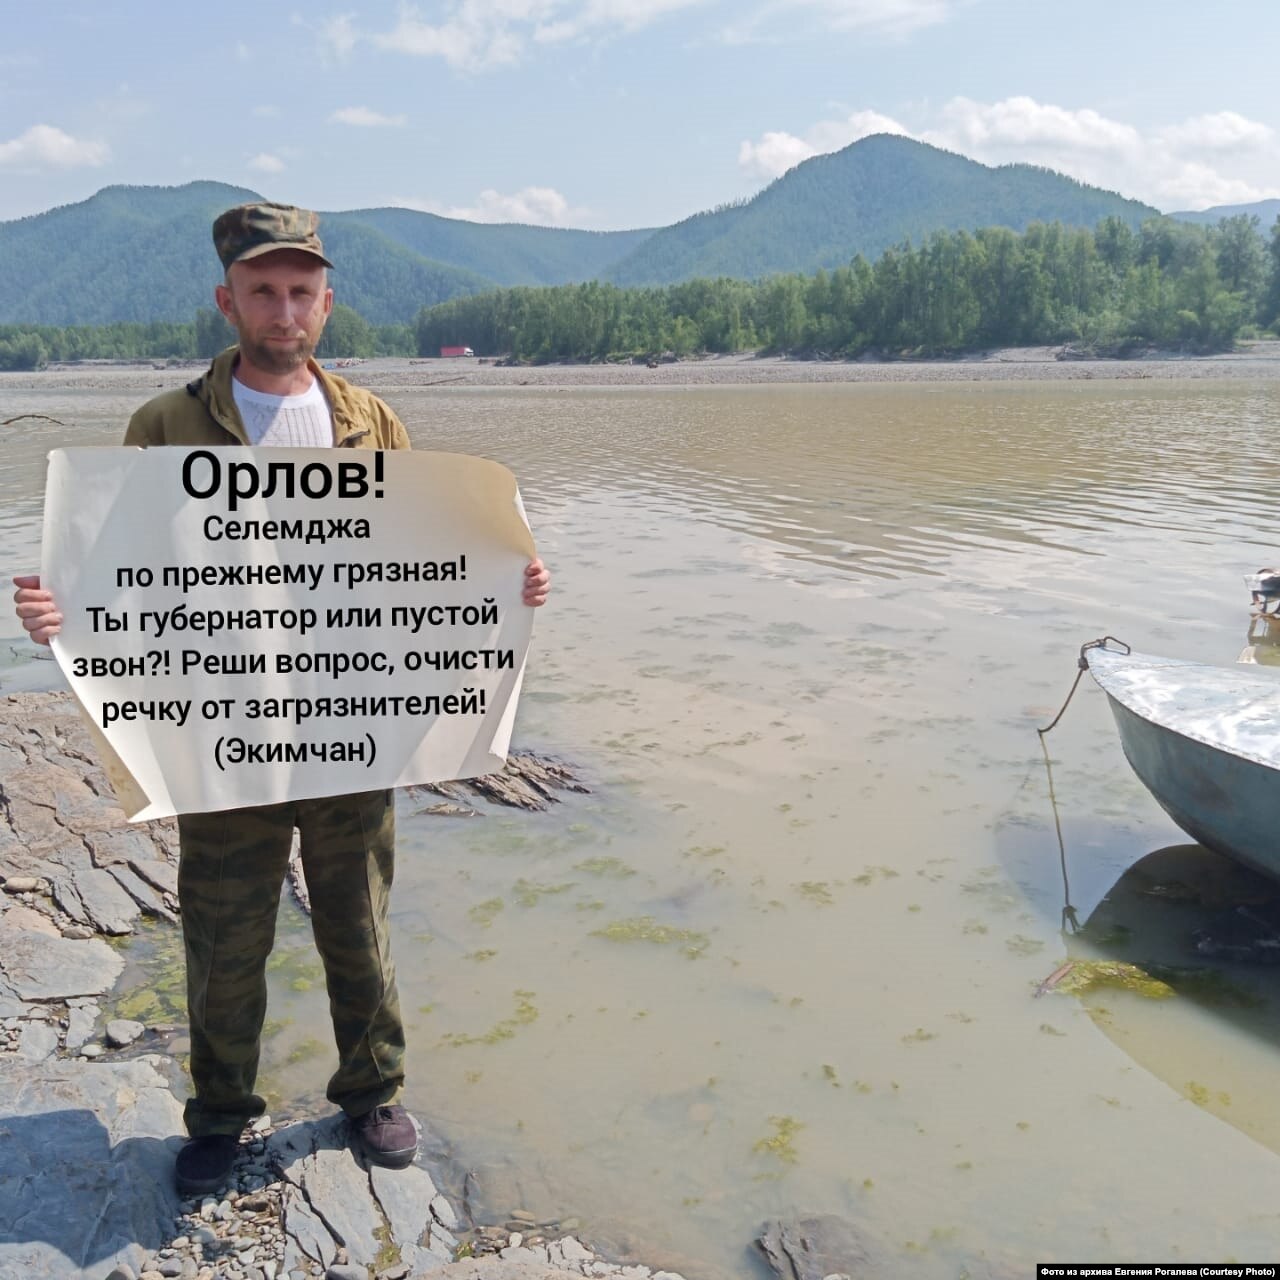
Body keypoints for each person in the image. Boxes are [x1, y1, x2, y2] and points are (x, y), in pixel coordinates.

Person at [12, 202, 552, 1196]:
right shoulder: (165, 424)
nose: (285, 309)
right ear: (228, 301)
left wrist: (506, 581)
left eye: (302, 291)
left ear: (326, 304)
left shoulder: (370, 421)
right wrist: (60, 610)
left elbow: (420, 556)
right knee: (224, 937)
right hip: (224, 732)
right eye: (263, 290)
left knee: (360, 921)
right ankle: (221, 1115)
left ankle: (372, 1091)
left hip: (352, 725)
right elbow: (121, 568)